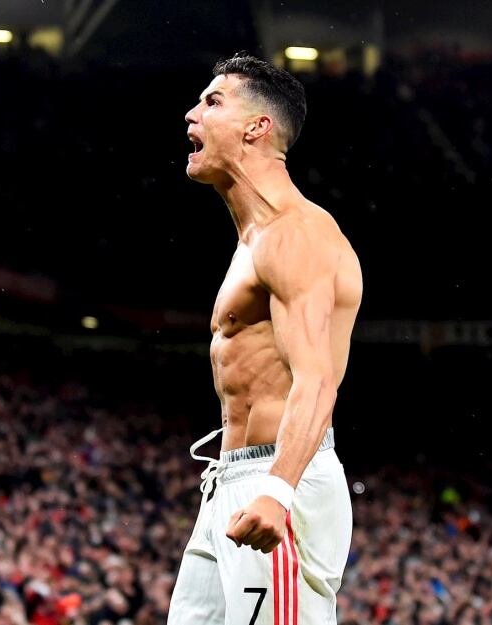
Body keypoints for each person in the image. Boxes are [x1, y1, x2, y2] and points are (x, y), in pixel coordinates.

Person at [167, 53, 363, 625]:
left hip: (278, 479)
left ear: (257, 127)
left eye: (212, 102)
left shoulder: (296, 235)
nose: (192, 114)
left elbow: (317, 380)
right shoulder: (253, 239)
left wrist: (278, 491)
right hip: (232, 482)